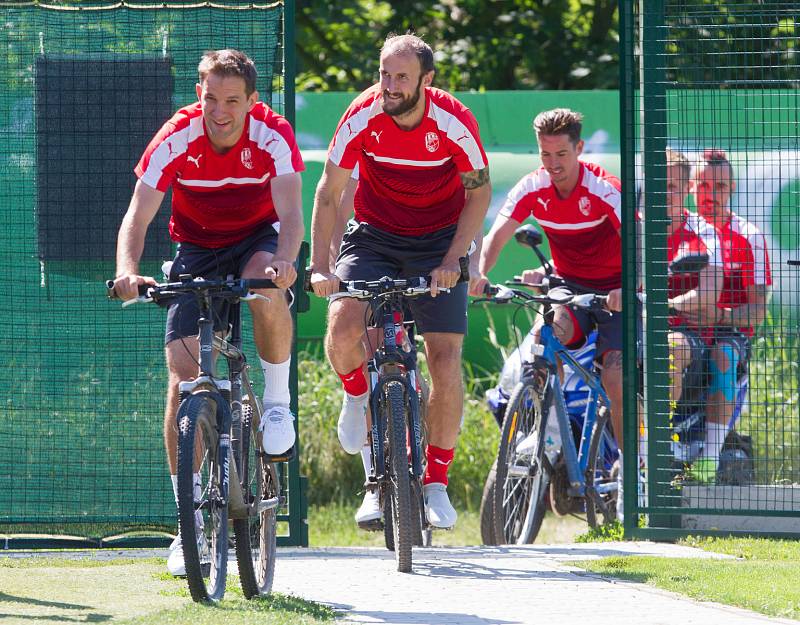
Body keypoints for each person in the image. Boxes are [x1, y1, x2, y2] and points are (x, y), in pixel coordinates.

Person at [110, 49, 304, 575]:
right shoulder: (176, 134)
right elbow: (138, 213)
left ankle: (277, 402)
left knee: (266, 284)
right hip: (194, 249)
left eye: (232, 101)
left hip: (256, 241)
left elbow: (290, 212)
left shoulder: (272, 133)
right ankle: (187, 521)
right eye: (210, 98)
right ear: (199, 95)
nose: (220, 111)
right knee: (181, 381)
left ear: (252, 102)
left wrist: (286, 261)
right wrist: (128, 271)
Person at [308, 33, 492, 530]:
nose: (388, 86)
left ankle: (434, 484)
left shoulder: (453, 121)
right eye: (384, 74)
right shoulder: (361, 114)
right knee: (343, 326)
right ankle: (358, 405)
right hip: (374, 237)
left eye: (401, 77)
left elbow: (479, 194)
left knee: (444, 358)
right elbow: (329, 193)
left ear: (426, 82)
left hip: (439, 244)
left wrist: (455, 258)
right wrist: (322, 267)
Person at [476, 108, 626, 517]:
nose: (553, 164)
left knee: (614, 374)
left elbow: (637, 236)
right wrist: (478, 274)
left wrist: (628, 287)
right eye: (545, 155)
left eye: (561, 154)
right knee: (546, 339)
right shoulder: (532, 186)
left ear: (579, 148)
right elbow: (497, 234)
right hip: (568, 287)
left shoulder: (603, 187)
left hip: (614, 292)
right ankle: (543, 436)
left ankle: (630, 468)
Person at [689, 149, 771, 481]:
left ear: (733, 188)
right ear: (692, 187)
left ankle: (709, 461)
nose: (711, 195)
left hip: (727, 334)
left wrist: (719, 316)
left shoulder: (749, 237)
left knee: (723, 354)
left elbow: (758, 312)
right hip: (681, 329)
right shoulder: (678, 229)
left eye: (720, 186)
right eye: (704, 186)